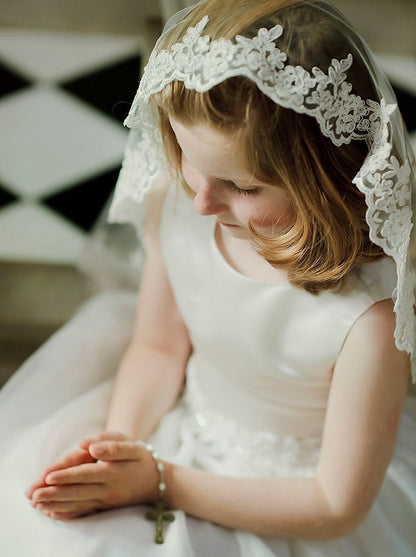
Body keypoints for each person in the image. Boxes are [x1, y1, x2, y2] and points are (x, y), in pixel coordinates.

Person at [1, 0, 415, 555]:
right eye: (190, 161)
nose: (200, 203)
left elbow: (334, 506)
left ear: (328, 176)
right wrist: (119, 446)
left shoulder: (368, 319)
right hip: (180, 423)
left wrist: (161, 481)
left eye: (242, 187)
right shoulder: (176, 202)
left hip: (291, 496)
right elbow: (157, 344)